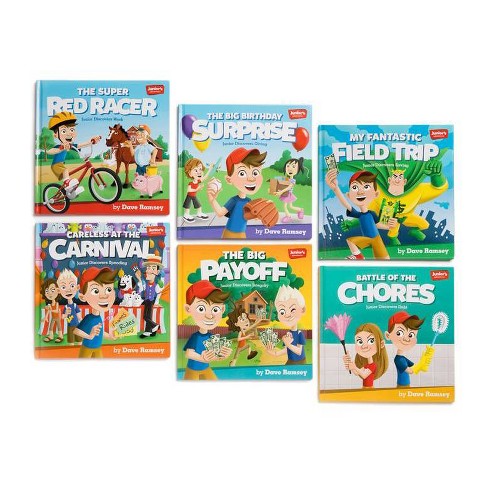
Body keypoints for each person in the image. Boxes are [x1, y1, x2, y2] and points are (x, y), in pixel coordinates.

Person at [326, 169, 396, 260]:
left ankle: (360, 257)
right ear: (349, 195)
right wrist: (336, 189)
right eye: (355, 187)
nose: (360, 192)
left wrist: (389, 227)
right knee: (350, 241)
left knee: (385, 260)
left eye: (366, 187)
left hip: (377, 239)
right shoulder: (359, 215)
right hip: (366, 239)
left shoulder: (372, 214)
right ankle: (359, 256)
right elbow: (346, 204)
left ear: (376, 194)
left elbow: (377, 224)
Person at [207, 147, 266, 238]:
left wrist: (259, 216)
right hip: (229, 233)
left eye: (255, 172)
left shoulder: (249, 201)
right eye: (242, 173)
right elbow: (220, 213)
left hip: (242, 234)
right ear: (229, 179)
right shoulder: (234, 200)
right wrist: (212, 200)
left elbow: (250, 215)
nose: (251, 178)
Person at [183, 280, 232, 380]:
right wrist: (202, 358)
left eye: (215, 309)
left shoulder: (211, 337)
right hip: (192, 370)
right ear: (188, 309)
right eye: (201, 309)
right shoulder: (195, 337)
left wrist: (223, 355)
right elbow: (188, 353)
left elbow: (214, 355)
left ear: (222, 309)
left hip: (206, 369)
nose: (209, 316)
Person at [47, 111, 101, 199]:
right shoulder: (59, 146)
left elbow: (81, 145)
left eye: (72, 130)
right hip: (56, 165)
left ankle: (70, 191)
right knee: (65, 171)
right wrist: (61, 148)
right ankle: (68, 184)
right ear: (55, 135)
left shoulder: (70, 145)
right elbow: (50, 151)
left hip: (62, 165)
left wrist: (91, 141)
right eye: (64, 131)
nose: (69, 133)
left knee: (67, 172)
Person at [74, 267, 117, 358]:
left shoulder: (99, 317)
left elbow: (100, 333)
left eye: (108, 290)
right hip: (87, 348)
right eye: (96, 291)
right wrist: (89, 336)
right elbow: (76, 331)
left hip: (98, 348)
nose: (104, 296)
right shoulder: (89, 318)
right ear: (82, 297)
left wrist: (110, 336)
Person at [385, 311, 434, 387]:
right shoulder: (398, 360)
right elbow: (410, 371)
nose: (406, 339)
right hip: (402, 386)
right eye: (399, 333)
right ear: (388, 336)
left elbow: (414, 367)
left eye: (411, 335)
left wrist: (425, 358)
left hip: (406, 385)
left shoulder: (402, 358)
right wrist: (421, 363)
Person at [265, 285, 307, 365]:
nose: (287, 315)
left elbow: (299, 351)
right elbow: (285, 350)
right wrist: (271, 352)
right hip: (290, 362)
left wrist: (288, 344)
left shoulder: (299, 334)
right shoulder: (288, 334)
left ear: (302, 310)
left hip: (300, 363)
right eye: (282, 312)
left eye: (293, 309)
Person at [343, 323, 388, 388]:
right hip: (364, 388)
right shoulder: (366, 365)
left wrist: (354, 367)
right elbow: (356, 373)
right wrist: (349, 362)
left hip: (370, 389)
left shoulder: (372, 366)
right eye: (360, 342)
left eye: (371, 341)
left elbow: (364, 375)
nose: (364, 346)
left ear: (381, 344)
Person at [135, 254, 164, 339]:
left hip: (151, 301)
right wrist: (139, 278)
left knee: (146, 316)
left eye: (153, 268)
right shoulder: (146, 284)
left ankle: (155, 326)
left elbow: (159, 293)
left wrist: (157, 302)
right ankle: (149, 331)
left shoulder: (157, 285)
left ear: (157, 272)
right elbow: (141, 289)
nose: (148, 271)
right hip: (146, 300)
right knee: (148, 316)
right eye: (148, 268)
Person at [274, 157, 305, 223]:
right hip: (286, 194)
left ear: (298, 169)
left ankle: (288, 217)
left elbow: (289, 187)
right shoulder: (287, 179)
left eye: (293, 167)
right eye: (288, 166)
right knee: (291, 206)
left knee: (285, 206)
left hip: (288, 194)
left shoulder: (293, 180)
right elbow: (281, 183)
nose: (290, 169)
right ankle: (300, 210)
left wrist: (281, 192)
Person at [182, 158, 213, 222]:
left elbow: (205, 177)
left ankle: (199, 213)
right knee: (187, 206)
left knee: (198, 205)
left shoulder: (198, 181)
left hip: (193, 196)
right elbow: (189, 190)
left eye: (200, 169)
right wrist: (197, 189)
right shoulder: (191, 183)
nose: (199, 172)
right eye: (195, 170)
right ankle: (186, 215)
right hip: (189, 196)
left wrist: (210, 169)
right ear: (190, 174)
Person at [57, 269, 83, 346]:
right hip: (69, 326)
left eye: (72, 286)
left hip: (77, 325)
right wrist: (65, 314)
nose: (68, 290)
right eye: (63, 287)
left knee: (79, 342)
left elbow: (79, 317)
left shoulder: (75, 306)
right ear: (59, 290)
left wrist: (83, 323)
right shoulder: (66, 306)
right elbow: (63, 317)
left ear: (77, 287)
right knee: (71, 343)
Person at [40, 278, 63, 343]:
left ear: (58, 290)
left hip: (57, 317)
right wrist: (45, 317)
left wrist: (51, 310)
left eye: (52, 290)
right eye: (47, 291)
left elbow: (56, 311)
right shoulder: (50, 304)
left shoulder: (57, 303)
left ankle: (60, 336)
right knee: (51, 327)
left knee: (59, 327)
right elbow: (48, 311)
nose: (50, 293)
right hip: (53, 317)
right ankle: (51, 336)